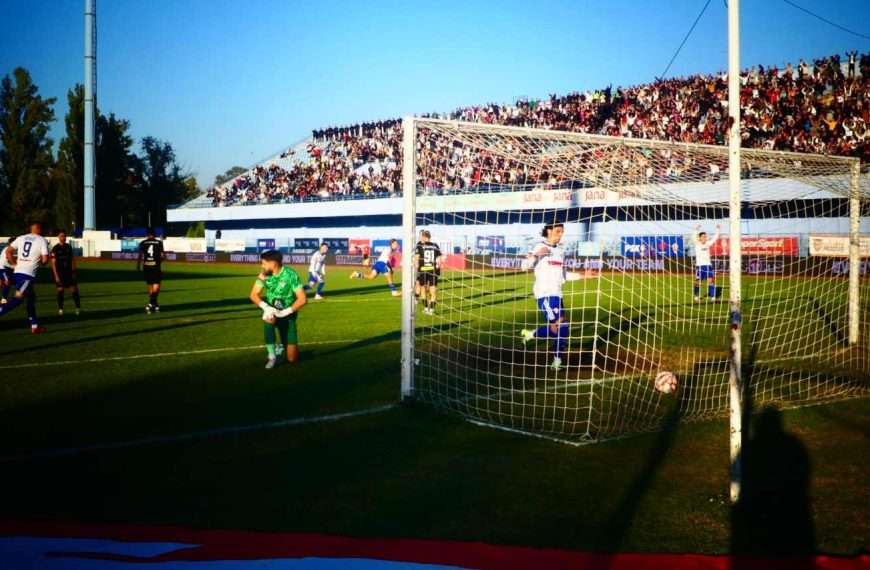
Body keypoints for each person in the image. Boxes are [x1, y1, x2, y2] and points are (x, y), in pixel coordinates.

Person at [519, 222, 582, 370]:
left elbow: (564, 276)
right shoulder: (539, 246)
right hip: (545, 295)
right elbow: (524, 266)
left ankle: (532, 334)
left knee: (558, 329)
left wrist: (583, 275)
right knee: (562, 326)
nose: (561, 234)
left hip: (557, 295)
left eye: (562, 232)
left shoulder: (560, 252)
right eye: (558, 231)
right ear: (549, 231)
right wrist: (535, 255)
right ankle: (557, 361)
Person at [249, 250, 307, 369]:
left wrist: (285, 312)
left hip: (288, 314)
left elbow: (302, 299)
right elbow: (253, 295)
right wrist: (266, 307)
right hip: (272, 311)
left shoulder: (291, 275)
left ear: (273, 263)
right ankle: (272, 356)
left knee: (292, 359)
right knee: (268, 318)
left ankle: (281, 347)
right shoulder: (264, 275)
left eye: (264, 263)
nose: (262, 266)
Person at [0, 223, 50, 333]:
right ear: (39, 229)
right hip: (28, 274)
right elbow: (45, 260)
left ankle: (35, 326)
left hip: (17, 272)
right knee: (18, 299)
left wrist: (14, 264)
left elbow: (8, 251)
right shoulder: (42, 240)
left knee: (31, 298)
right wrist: (41, 262)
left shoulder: (21, 237)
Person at [136, 227, 166, 313]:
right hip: (155, 266)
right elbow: (163, 256)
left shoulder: (143, 243)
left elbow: (140, 255)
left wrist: (138, 266)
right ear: (154, 234)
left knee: (150, 284)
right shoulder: (159, 242)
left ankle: (154, 304)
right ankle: (151, 303)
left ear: (147, 234)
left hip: (146, 266)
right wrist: (159, 262)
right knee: (157, 284)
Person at [51, 230, 81, 316]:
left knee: (74, 290)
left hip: (69, 273)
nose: (63, 238)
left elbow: (72, 260)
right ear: (58, 237)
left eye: (64, 236)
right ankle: (60, 309)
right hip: (60, 273)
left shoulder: (68, 247)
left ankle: (77, 308)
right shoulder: (55, 248)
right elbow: (53, 263)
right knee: (60, 291)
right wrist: (56, 276)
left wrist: (74, 271)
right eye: (61, 236)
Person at [414, 230, 442, 315]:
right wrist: (437, 267)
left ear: (425, 237)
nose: (421, 238)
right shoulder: (435, 245)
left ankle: (426, 308)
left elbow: (416, 259)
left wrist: (416, 268)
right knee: (433, 291)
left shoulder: (420, 246)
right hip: (433, 271)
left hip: (423, 270)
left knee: (423, 289)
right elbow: (439, 259)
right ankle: (432, 310)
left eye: (422, 236)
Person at [693, 224, 721, 303]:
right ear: (700, 237)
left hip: (708, 266)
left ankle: (712, 298)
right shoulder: (697, 243)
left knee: (711, 281)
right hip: (700, 266)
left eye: (706, 236)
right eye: (703, 236)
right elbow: (694, 236)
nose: (705, 237)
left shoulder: (708, 243)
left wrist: (718, 229)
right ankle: (696, 297)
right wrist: (696, 229)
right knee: (698, 282)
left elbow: (715, 238)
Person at [0, 235, 15, 304]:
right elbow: (8, 260)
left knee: (3, 282)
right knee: (7, 281)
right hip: (3, 268)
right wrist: (15, 266)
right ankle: (4, 299)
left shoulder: (10, 249)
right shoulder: (8, 249)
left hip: (5, 268)